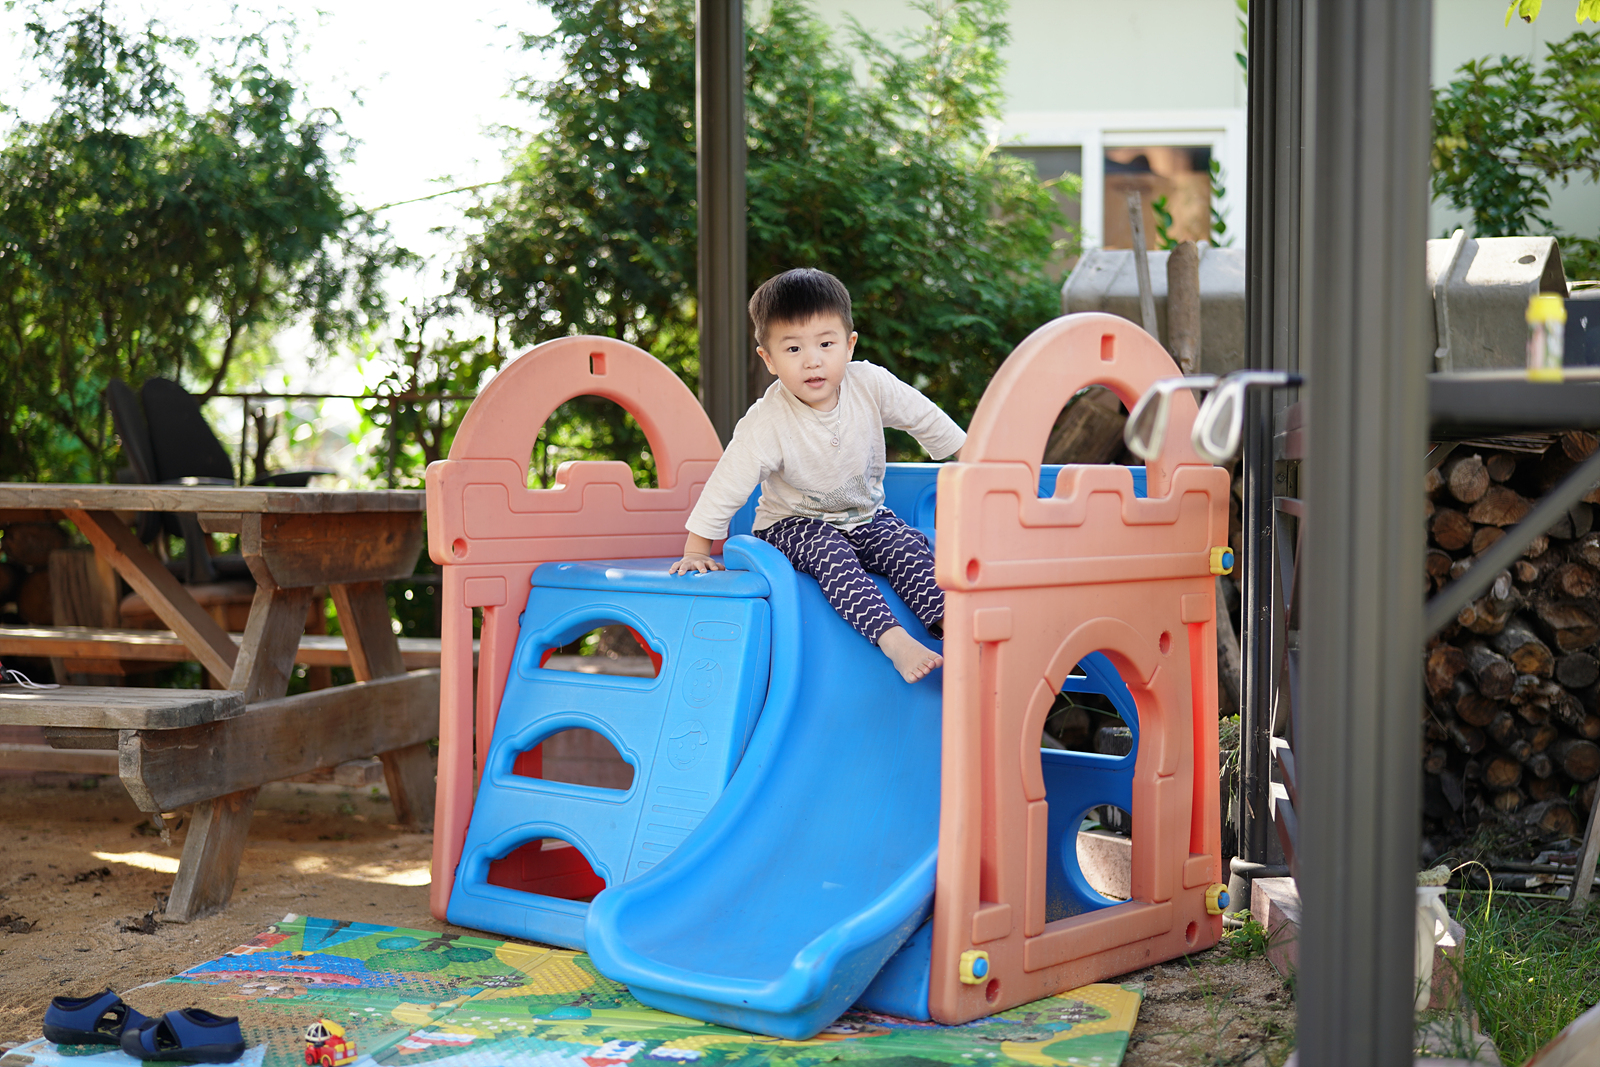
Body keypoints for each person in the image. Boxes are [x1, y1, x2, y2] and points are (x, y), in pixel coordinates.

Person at [669, 268, 965, 682]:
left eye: (826, 344)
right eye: (793, 348)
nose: (812, 360)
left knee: (906, 545)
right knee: (831, 553)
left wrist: (972, 457)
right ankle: (894, 640)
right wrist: (697, 548)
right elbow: (728, 482)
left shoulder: (870, 384)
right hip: (792, 526)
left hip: (865, 518)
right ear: (769, 360)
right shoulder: (768, 420)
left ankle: (957, 628)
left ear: (849, 344)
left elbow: (926, 419)